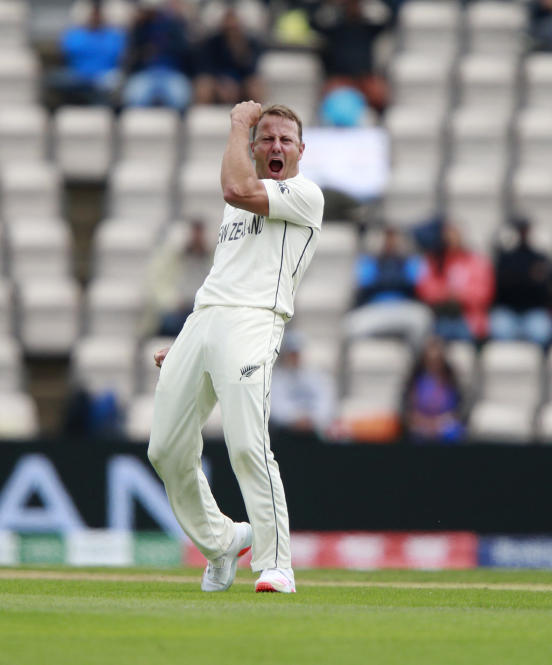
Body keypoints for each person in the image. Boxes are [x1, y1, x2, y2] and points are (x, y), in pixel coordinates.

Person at [148, 102, 325, 594]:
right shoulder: (238, 203)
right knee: (165, 448)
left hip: (253, 321)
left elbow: (235, 186)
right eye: (266, 138)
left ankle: (276, 564)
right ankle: (222, 540)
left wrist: (239, 123)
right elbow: (221, 276)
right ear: (254, 149)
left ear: (300, 151)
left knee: (247, 444)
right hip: (205, 319)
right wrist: (187, 342)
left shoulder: (305, 194)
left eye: (285, 140)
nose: (275, 147)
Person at [343, 225, 433, 348]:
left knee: (423, 319)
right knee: (349, 326)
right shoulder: (369, 262)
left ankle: (414, 362)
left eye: (395, 238)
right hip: (376, 309)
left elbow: (417, 285)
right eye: (387, 238)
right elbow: (365, 285)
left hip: (404, 308)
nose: (391, 243)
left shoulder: (411, 261)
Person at [415, 221, 495, 343]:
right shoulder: (434, 261)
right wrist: (445, 294)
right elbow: (425, 289)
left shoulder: (475, 261)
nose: (452, 241)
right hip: (440, 317)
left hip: (469, 318)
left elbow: (484, 293)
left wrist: (460, 295)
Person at [310, 0, 391, 114]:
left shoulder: (369, 27)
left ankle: (379, 124)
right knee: (329, 95)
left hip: (365, 77)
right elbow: (314, 22)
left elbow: (389, 18)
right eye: (350, 6)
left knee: (379, 93)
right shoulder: (334, 28)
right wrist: (329, 3)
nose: (353, 9)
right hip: (340, 77)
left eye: (356, 6)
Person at [489, 217, 552, 347]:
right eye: (520, 230)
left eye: (525, 230)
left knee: (543, 332)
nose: (522, 234)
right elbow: (502, 287)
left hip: (533, 311)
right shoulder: (504, 258)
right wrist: (528, 278)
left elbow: (543, 290)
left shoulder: (539, 257)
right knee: (500, 331)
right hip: (507, 311)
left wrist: (522, 279)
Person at [46, 1, 127, 107]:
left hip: (104, 79)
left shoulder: (114, 36)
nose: (95, 17)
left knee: (112, 83)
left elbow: (119, 59)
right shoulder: (74, 35)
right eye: (93, 14)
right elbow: (66, 55)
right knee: (54, 79)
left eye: (97, 14)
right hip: (77, 77)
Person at [144, 218, 214, 337]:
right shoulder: (171, 257)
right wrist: (175, 302)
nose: (197, 238)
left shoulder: (213, 257)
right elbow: (156, 287)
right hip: (177, 311)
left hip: (203, 309)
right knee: (173, 323)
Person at [121, 0, 194, 112]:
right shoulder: (140, 28)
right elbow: (131, 55)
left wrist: (161, 47)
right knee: (134, 98)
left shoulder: (174, 25)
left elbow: (185, 50)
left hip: (171, 72)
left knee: (180, 99)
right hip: (146, 73)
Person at [270, 330, 338, 438]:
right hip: (285, 434)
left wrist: (312, 420)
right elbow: (275, 408)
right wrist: (295, 419)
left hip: (315, 433)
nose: (294, 357)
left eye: (296, 353)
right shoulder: (275, 379)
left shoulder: (317, 376)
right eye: (291, 354)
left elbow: (326, 403)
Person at [192, 7, 265, 106]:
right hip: (218, 81)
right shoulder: (212, 43)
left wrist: (240, 52)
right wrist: (221, 84)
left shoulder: (251, 44)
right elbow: (206, 68)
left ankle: (258, 116)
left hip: (241, 83)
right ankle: (201, 117)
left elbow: (252, 70)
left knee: (255, 86)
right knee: (203, 86)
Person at [401, 335, 465, 444]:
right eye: (431, 360)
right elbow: (409, 410)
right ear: (424, 359)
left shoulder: (451, 378)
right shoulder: (415, 378)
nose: (434, 363)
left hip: (444, 424)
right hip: (420, 424)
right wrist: (424, 423)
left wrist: (440, 423)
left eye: (437, 360)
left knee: (454, 432)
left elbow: (458, 409)